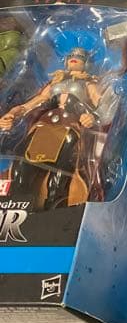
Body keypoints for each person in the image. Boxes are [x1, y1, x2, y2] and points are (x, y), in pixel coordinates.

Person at [0, 48, 103, 209]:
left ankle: (55, 207)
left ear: (86, 63)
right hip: (43, 128)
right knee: (21, 168)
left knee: (60, 174)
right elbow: (30, 104)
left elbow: (103, 105)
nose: (74, 58)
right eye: (71, 56)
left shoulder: (89, 84)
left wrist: (93, 116)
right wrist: (12, 114)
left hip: (70, 129)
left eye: (80, 57)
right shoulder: (54, 83)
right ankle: (16, 204)